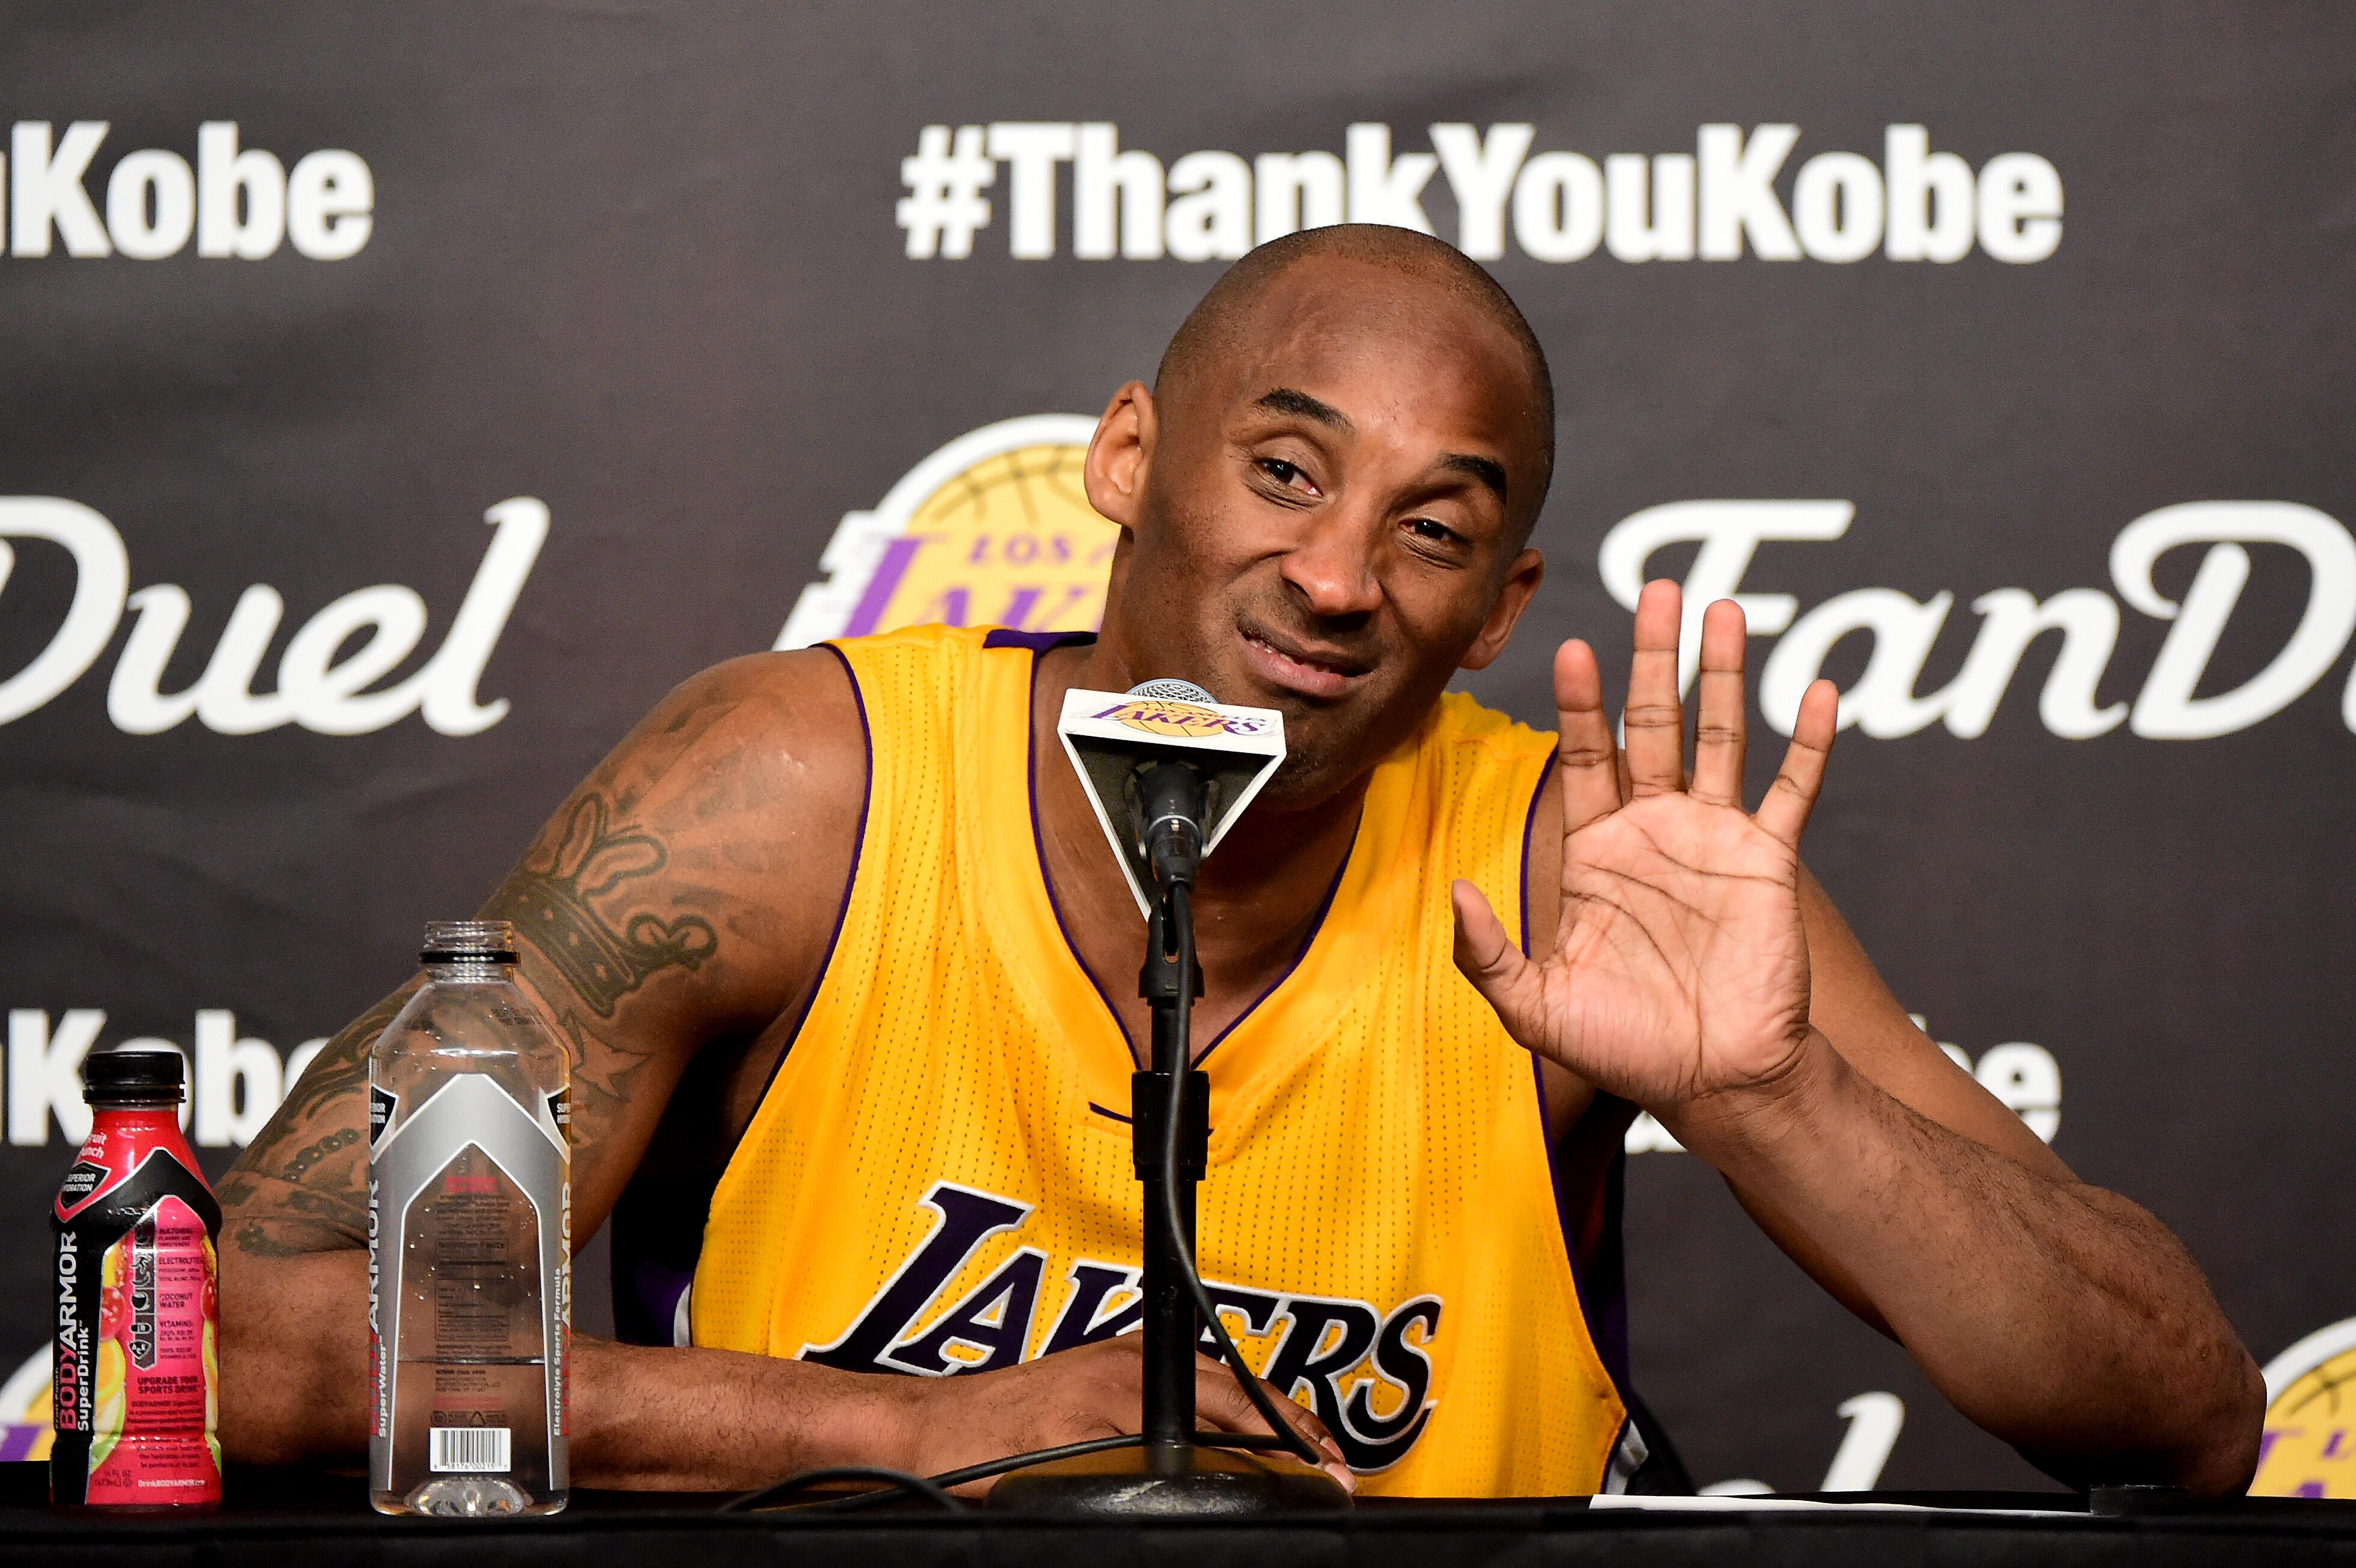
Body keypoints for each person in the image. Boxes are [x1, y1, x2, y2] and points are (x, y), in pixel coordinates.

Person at [218, 225, 2262, 1498]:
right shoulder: (801, 788)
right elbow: (231, 1338)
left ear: (1493, 605)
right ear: (1125, 460)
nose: (1334, 572)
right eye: (1283, 468)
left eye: (1432, 528)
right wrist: (904, 1427)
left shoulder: (1580, 863)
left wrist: (1770, 1095)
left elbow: (2183, 1418)